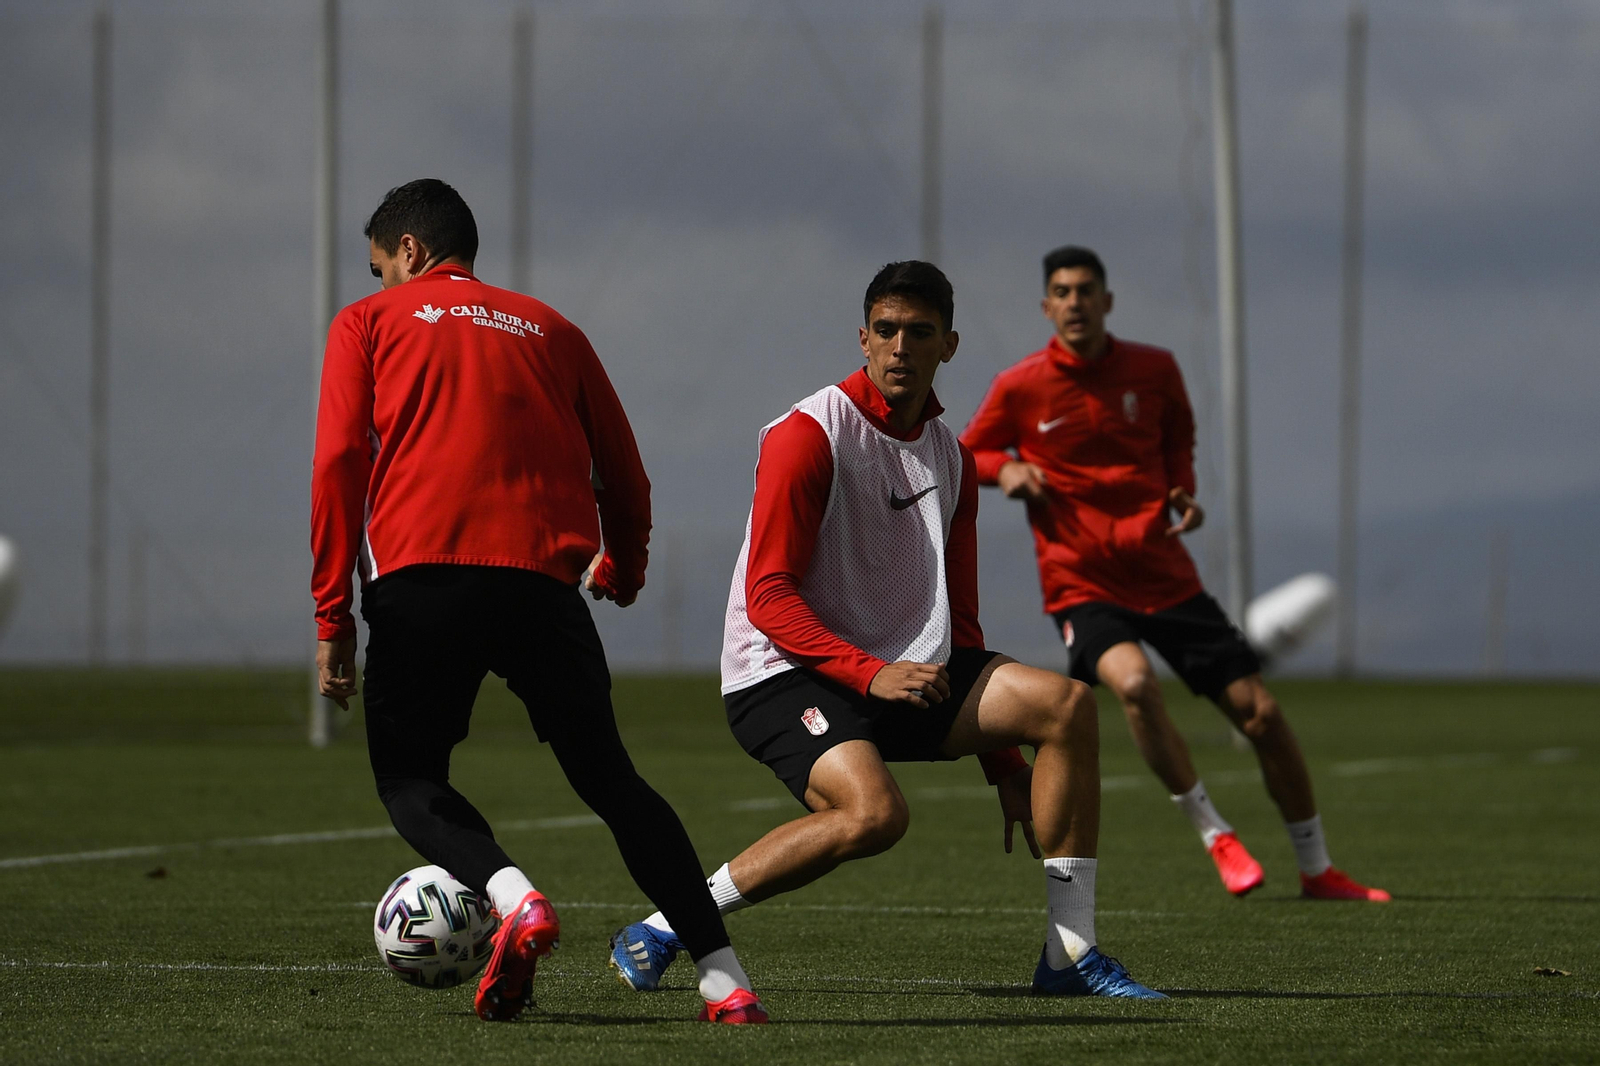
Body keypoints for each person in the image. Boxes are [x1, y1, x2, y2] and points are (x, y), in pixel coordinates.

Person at [607, 261, 1164, 999]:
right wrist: (870, 674)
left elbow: (960, 626)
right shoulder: (808, 436)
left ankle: (1069, 957)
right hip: (781, 673)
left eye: (920, 333)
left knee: (1066, 707)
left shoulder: (952, 458)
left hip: (899, 671)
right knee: (875, 815)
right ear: (863, 338)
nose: (901, 347)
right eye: (887, 331)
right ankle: (668, 925)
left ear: (950, 346)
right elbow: (767, 597)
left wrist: (1003, 766)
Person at [311, 179, 766, 1024]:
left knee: (411, 781)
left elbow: (341, 460)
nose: (379, 284)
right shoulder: (553, 329)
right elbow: (626, 477)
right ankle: (726, 981)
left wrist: (332, 615)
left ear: (409, 252)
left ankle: (516, 900)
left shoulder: (367, 324)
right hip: (543, 586)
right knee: (614, 783)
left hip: (422, 577)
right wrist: (623, 573)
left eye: (380, 267)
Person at [960, 244, 1388, 902]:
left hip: (1167, 577)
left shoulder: (1155, 370)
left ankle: (1318, 868)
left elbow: (1178, 442)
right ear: (1047, 307)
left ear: (1107, 301)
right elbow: (968, 453)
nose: (1075, 302)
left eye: (1085, 290)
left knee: (1262, 715)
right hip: (1082, 582)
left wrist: (1183, 492)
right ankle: (1216, 833)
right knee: (1133, 685)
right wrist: (1005, 470)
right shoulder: (1021, 385)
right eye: (1062, 292)